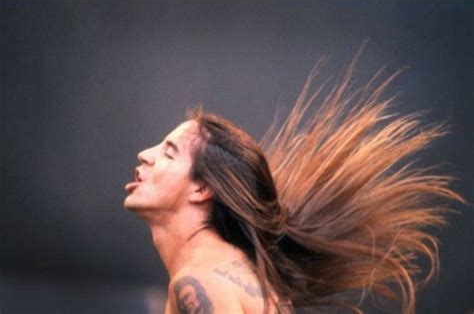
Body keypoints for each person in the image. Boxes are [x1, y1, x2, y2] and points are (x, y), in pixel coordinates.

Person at [123, 56, 465, 314]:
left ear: (201, 189)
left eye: (169, 153)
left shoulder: (199, 284)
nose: (145, 154)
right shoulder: (234, 275)